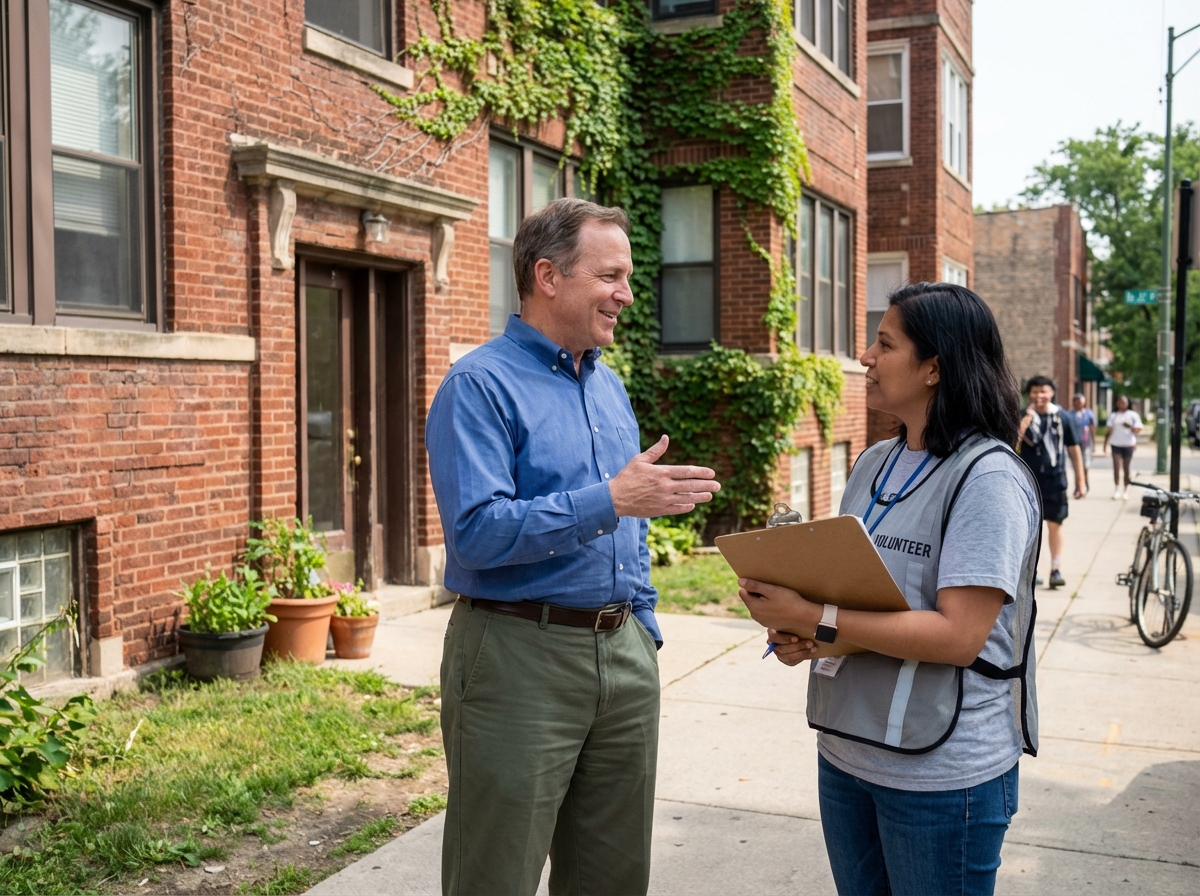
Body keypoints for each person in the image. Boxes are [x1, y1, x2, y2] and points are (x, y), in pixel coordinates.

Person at [426, 198, 721, 896]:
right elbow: (477, 532)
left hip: (621, 656)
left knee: (611, 880)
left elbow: (633, 523)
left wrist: (642, 625)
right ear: (548, 276)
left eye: (628, 277)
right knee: (493, 877)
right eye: (610, 275)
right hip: (516, 657)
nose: (626, 294)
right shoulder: (479, 386)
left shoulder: (609, 385)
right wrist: (610, 499)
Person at [737, 282, 1040, 896]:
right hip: (848, 754)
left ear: (934, 367)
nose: (866, 357)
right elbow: (866, 602)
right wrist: (810, 634)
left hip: (943, 776)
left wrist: (819, 614)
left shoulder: (987, 480)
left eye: (884, 342)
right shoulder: (874, 462)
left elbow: (959, 636)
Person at [1017, 375, 1086, 589]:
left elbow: (1074, 450)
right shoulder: (1021, 416)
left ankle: (1056, 569)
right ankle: (1032, 570)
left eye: (1044, 391)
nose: (1040, 396)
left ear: (1052, 393)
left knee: (1055, 525)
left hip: (1056, 481)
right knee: (1030, 528)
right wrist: (1025, 421)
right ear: (1030, 394)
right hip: (1028, 481)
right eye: (1035, 392)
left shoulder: (1063, 418)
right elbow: (1012, 443)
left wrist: (1081, 482)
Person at [1103, 395, 1143, 500]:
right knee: (1116, 467)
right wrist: (1104, 445)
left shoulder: (1132, 415)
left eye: (1123, 402)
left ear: (1127, 403)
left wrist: (1129, 426)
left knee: (1126, 468)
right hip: (1116, 444)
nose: (1121, 404)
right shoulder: (1113, 416)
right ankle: (1117, 488)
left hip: (1128, 444)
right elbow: (1108, 431)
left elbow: (1138, 430)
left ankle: (1126, 489)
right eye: (1119, 402)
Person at [1068, 393, 1097, 492]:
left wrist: (1094, 444)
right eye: (1075, 401)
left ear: (1084, 403)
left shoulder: (1088, 414)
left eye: (1079, 401)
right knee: (1075, 466)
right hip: (1074, 444)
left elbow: (1092, 429)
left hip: (1086, 444)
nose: (1077, 404)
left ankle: (1085, 482)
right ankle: (1077, 486)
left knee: (1085, 465)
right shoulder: (1069, 415)